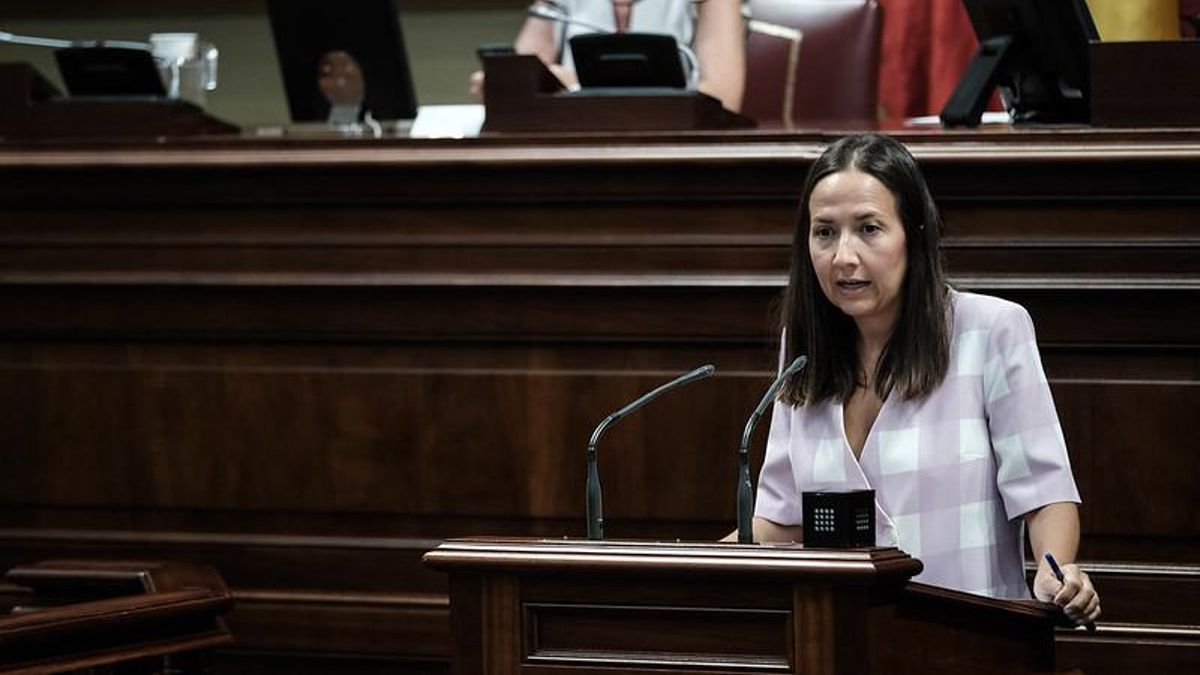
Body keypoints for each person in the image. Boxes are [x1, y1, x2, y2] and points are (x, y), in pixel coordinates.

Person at [748, 133, 1100, 626]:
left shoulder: (990, 330)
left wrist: (1053, 571)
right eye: (824, 232)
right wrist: (690, 567)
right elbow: (782, 522)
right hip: (838, 640)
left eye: (869, 229)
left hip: (966, 638)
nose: (843, 256)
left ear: (913, 233)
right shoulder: (803, 352)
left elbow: (1043, 493)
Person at [470, 0, 745, 112]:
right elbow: (523, 81)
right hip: (576, 153)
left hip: (675, 158)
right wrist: (499, 83)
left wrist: (572, 83)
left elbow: (722, 98)